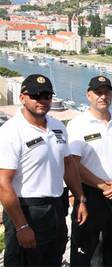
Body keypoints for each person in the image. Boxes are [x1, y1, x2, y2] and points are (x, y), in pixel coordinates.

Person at [0, 74, 88, 266]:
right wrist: (21, 226)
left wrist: (80, 198)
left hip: (57, 207)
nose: (42, 100)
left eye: (47, 95)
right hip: (27, 210)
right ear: (22, 97)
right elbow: (3, 182)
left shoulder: (58, 127)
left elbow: (68, 165)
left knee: (53, 259)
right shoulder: (10, 131)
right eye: (35, 95)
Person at [68, 76, 112, 266]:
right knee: (82, 248)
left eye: (107, 92)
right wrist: (102, 185)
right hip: (90, 195)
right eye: (98, 92)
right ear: (88, 95)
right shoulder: (78, 124)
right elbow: (73, 163)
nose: (103, 96)